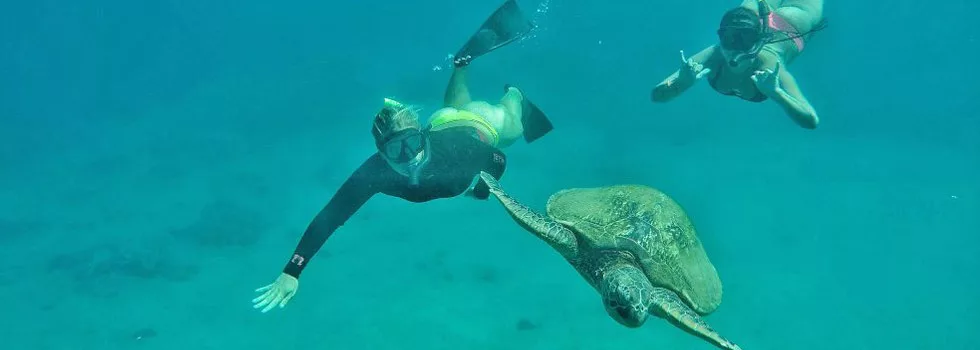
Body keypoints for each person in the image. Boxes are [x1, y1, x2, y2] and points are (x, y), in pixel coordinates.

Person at [251, 0, 554, 313]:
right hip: (442, 120)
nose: (408, 156)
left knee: (512, 127)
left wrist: (482, 190)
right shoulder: (374, 173)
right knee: (454, 109)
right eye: (396, 149)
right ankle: (461, 66)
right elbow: (331, 216)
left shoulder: (461, 156)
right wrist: (292, 271)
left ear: (420, 136)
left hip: (483, 124)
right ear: (381, 152)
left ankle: (514, 94)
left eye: (411, 143)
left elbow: (498, 159)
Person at [650, 0, 826, 129]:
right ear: (722, 37)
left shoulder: (769, 65)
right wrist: (682, 83)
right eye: (729, 39)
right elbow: (658, 96)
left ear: (757, 42)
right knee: (742, 18)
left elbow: (811, 121)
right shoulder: (715, 54)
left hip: (794, 20)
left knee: (746, 16)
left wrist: (776, 93)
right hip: (752, 17)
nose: (735, 49)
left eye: (745, 40)